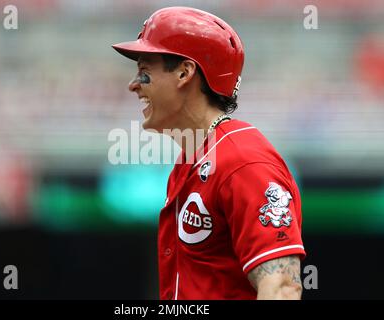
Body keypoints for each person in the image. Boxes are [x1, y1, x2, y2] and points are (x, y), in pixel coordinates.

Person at [112, 6, 306, 300]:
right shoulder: (190, 159)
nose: (133, 85)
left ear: (184, 73)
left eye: (144, 71)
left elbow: (282, 287)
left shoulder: (244, 160)